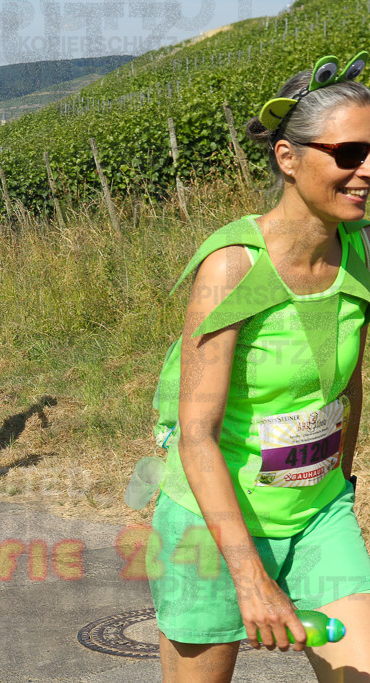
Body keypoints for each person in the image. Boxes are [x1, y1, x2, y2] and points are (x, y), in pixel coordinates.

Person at [150, 57, 370, 680]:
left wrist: (340, 491)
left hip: (316, 513)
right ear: (288, 157)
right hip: (213, 524)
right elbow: (196, 434)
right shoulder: (231, 267)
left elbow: (346, 389)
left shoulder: (362, 247)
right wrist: (249, 578)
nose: (368, 170)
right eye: (350, 152)